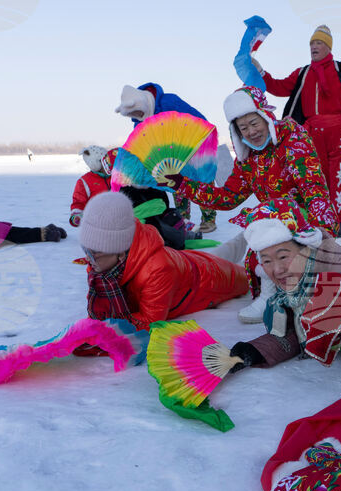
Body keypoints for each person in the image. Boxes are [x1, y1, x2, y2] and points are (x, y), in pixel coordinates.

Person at [167, 86, 339, 323]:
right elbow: (227, 196)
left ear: (265, 116)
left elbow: (314, 189)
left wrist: (324, 232)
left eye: (254, 123)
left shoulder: (292, 140)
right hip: (273, 222)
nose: (251, 132)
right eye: (243, 128)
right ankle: (258, 294)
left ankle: (286, 298)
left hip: (304, 221)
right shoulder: (247, 159)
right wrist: (181, 184)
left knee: (270, 246)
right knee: (251, 246)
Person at [223, 198, 341, 371]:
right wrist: (255, 351)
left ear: (306, 248)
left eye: (283, 256)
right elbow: (300, 329)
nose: (276, 270)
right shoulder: (296, 283)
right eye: (267, 260)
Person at [255, 25, 341, 235]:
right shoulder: (303, 73)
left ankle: (337, 220)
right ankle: (318, 218)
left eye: (319, 43)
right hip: (311, 132)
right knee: (314, 176)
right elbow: (279, 87)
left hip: (340, 131)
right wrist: (261, 72)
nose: (314, 46)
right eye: (311, 43)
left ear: (328, 47)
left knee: (340, 175)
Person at [77, 192, 248, 332]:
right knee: (223, 254)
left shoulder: (157, 269)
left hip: (205, 283)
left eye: (94, 253)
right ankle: (246, 235)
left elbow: (150, 320)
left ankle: (252, 231)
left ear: (120, 253)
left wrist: (103, 330)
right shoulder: (102, 260)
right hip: (187, 265)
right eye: (86, 250)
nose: (89, 261)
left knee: (248, 275)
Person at [114, 82, 218, 233]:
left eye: (137, 113)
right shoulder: (139, 121)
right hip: (172, 155)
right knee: (177, 182)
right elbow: (140, 143)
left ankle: (209, 220)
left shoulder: (168, 102)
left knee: (203, 182)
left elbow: (197, 120)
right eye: (132, 116)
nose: (136, 117)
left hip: (192, 148)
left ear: (142, 104)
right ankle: (183, 219)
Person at [70, 145, 110, 227]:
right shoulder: (84, 182)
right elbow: (78, 202)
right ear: (95, 164)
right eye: (105, 161)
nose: (109, 163)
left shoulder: (116, 176)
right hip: (96, 224)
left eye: (109, 160)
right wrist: (77, 216)